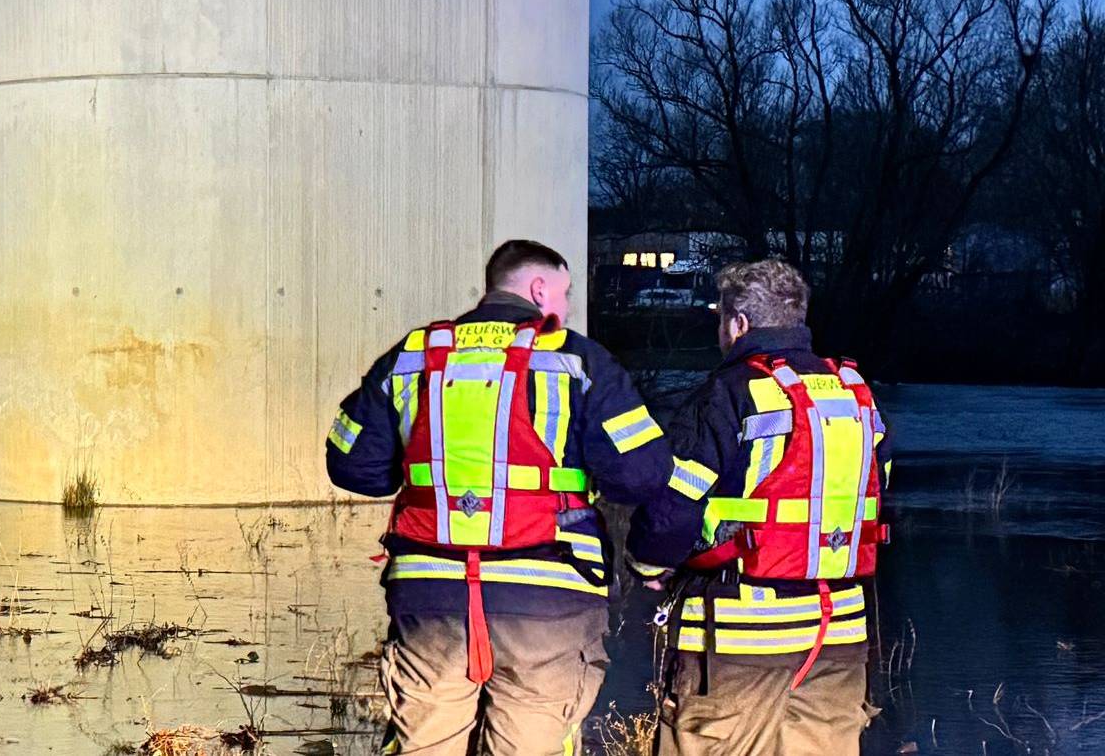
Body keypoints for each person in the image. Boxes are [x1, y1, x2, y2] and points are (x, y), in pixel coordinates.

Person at [326, 240, 677, 755]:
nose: (569, 305)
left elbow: (352, 464)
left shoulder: (413, 355)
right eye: (565, 292)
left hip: (431, 596)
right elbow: (643, 474)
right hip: (548, 597)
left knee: (424, 745)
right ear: (539, 289)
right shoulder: (579, 360)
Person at [626, 259, 892, 756]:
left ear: (738, 324)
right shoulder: (856, 394)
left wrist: (646, 563)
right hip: (839, 630)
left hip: (739, 636)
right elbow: (878, 494)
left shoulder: (727, 393)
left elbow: (675, 505)